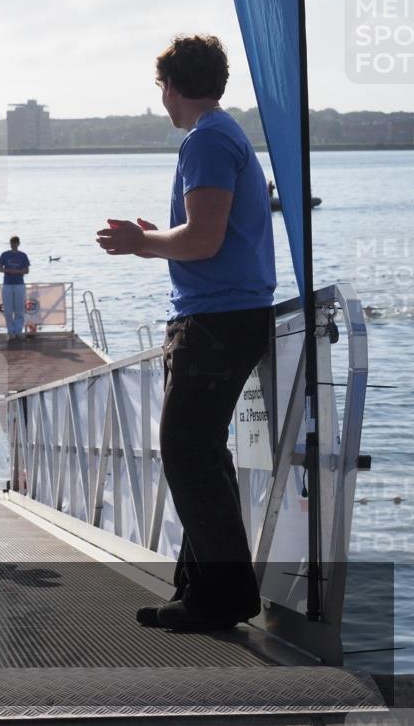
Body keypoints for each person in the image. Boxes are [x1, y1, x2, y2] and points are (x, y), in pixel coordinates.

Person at [95, 34, 275, 632]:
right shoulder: (221, 136)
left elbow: (204, 239)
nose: (162, 101)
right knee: (200, 453)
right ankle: (201, 589)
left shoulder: (207, 140)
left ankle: (223, 595)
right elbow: (204, 234)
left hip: (216, 322)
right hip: (225, 316)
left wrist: (140, 242)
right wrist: (156, 239)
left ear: (172, 86)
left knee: (186, 451)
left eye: (162, 89)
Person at [0, 236, 30, 340]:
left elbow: (26, 270)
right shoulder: (4, 254)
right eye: (12, 243)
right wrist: (7, 270)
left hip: (19, 284)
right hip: (7, 283)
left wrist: (17, 272)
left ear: (18, 244)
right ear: (10, 244)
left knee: (19, 309)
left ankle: (18, 331)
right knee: (8, 309)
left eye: (15, 243)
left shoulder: (23, 255)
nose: (14, 245)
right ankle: (10, 331)